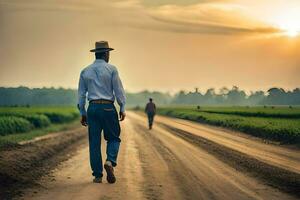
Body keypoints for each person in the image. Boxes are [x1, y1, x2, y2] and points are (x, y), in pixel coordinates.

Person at [77, 41, 126, 184]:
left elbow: (81, 95)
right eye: (109, 53)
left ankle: (97, 175)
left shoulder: (85, 71)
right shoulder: (112, 69)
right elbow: (118, 90)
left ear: (96, 53)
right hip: (108, 107)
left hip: (92, 108)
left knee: (94, 143)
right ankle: (110, 161)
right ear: (106, 54)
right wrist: (122, 107)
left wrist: (83, 112)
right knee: (114, 138)